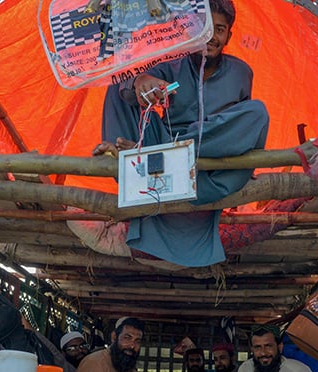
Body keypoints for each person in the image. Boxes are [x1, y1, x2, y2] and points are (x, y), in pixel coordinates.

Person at [92, 0, 270, 267]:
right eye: (204, 28)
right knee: (118, 86)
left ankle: (165, 150)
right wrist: (142, 83)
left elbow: (238, 128)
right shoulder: (171, 64)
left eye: (219, 30)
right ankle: (138, 156)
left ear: (228, 36)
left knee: (257, 112)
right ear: (190, 29)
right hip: (162, 173)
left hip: (212, 175)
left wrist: (189, 143)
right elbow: (131, 90)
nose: (210, 37)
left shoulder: (241, 72)